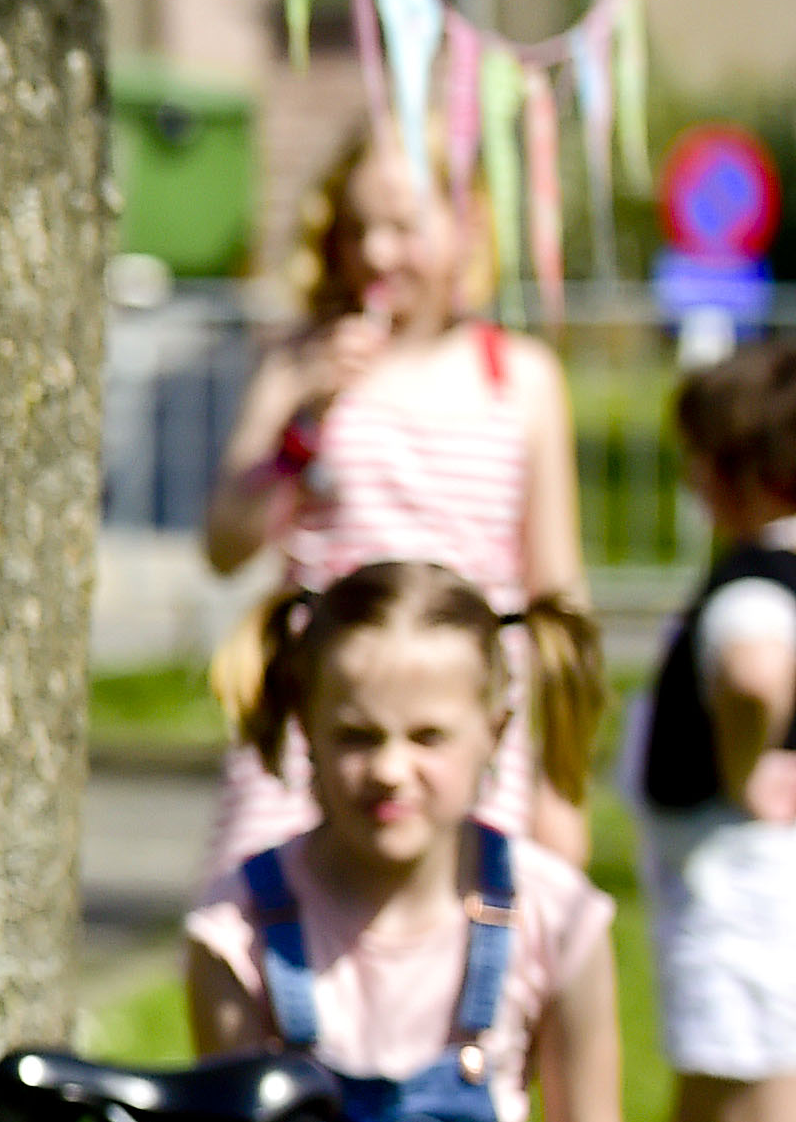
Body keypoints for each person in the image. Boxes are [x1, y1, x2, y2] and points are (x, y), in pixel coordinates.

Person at [190, 559, 622, 1122]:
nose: (390, 770)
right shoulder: (236, 933)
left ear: (494, 734)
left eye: (428, 737)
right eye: (357, 736)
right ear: (303, 728)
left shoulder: (554, 915)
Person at [202, 121, 593, 869]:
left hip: (465, 720)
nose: (377, 254)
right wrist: (299, 425)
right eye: (358, 228)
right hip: (322, 710)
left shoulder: (522, 377)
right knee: (272, 931)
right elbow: (225, 545)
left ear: (467, 223)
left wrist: (560, 788)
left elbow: (558, 596)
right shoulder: (296, 364)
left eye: (404, 228)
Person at [635, 344, 796, 1122]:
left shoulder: (755, 581)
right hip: (743, 911)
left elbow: (753, 669)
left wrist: (746, 773)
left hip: (747, 909)